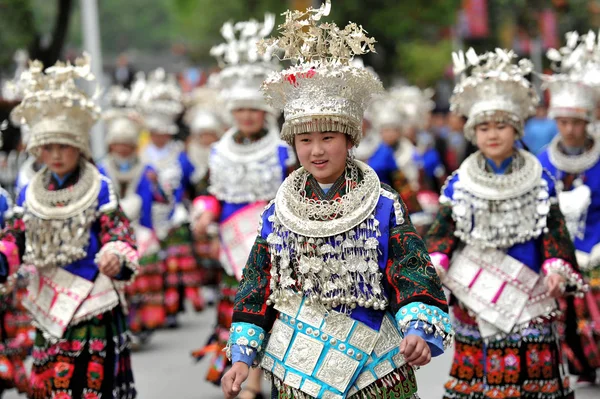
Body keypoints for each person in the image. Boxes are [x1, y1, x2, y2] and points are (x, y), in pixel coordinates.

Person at [221, 3, 453, 398]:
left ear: (349, 139)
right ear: (293, 144)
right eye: (305, 140)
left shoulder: (381, 203)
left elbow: (410, 271)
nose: (316, 151)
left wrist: (416, 329)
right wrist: (242, 357)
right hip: (299, 368)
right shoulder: (279, 213)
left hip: (375, 366)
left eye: (328, 138)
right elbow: (258, 284)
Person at [426, 47, 585, 399]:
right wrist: (437, 261)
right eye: (483, 127)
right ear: (473, 133)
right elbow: (442, 232)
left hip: (530, 291)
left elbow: (554, 233)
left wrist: (556, 268)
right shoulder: (459, 182)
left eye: (500, 126)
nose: (492, 134)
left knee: (532, 381)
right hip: (476, 295)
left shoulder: (540, 179)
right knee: (480, 380)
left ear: (515, 129)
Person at [5, 55, 138, 399]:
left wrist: (114, 255)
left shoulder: (99, 185)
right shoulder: (28, 191)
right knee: (53, 387)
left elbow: (117, 232)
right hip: (48, 297)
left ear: (78, 145)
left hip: (93, 296)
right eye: (47, 147)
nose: (56, 155)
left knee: (90, 386)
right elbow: (15, 236)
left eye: (63, 145)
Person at [190, 15, 295, 395]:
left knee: (274, 312)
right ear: (231, 112)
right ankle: (244, 379)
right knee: (238, 312)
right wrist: (203, 211)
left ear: (265, 110)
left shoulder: (284, 150)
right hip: (232, 247)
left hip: (272, 242)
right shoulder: (218, 151)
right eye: (240, 110)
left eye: (254, 109)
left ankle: (265, 380)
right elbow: (209, 192)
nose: (247, 116)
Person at [538, 31, 600, 385]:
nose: (571, 129)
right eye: (564, 122)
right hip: (562, 246)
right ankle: (580, 361)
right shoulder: (544, 160)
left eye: (577, 122)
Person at [100, 86, 169, 347]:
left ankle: (140, 327)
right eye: (118, 144)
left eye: (127, 144)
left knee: (142, 286)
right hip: (112, 234)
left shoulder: (147, 169)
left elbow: (164, 198)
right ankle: (118, 328)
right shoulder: (100, 169)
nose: (123, 149)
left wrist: (157, 185)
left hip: (143, 232)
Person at [138, 69, 204, 327]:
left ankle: (174, 307)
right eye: (156, 131)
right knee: (154, 264)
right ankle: (155, 311)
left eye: (165, 131)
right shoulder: (142, 156)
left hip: (174, 214)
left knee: (176, 265)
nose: (161, 135)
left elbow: (191, 182)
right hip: (149, 216)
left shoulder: (179, 154)